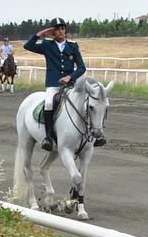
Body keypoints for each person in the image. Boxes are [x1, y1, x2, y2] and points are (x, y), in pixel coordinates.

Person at [24, 17, 96, 152]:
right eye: (57, 29)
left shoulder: (73, 47)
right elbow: (27, 46)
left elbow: (81, 68)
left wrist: (70, 77)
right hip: (53, 84)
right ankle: (48, 137)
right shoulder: (47, 45)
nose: (61, 31)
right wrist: (41, 33)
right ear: (52, 32)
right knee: (49, 103)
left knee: (87, 102)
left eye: (62, 29)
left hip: (71, 85)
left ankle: (94, 133)